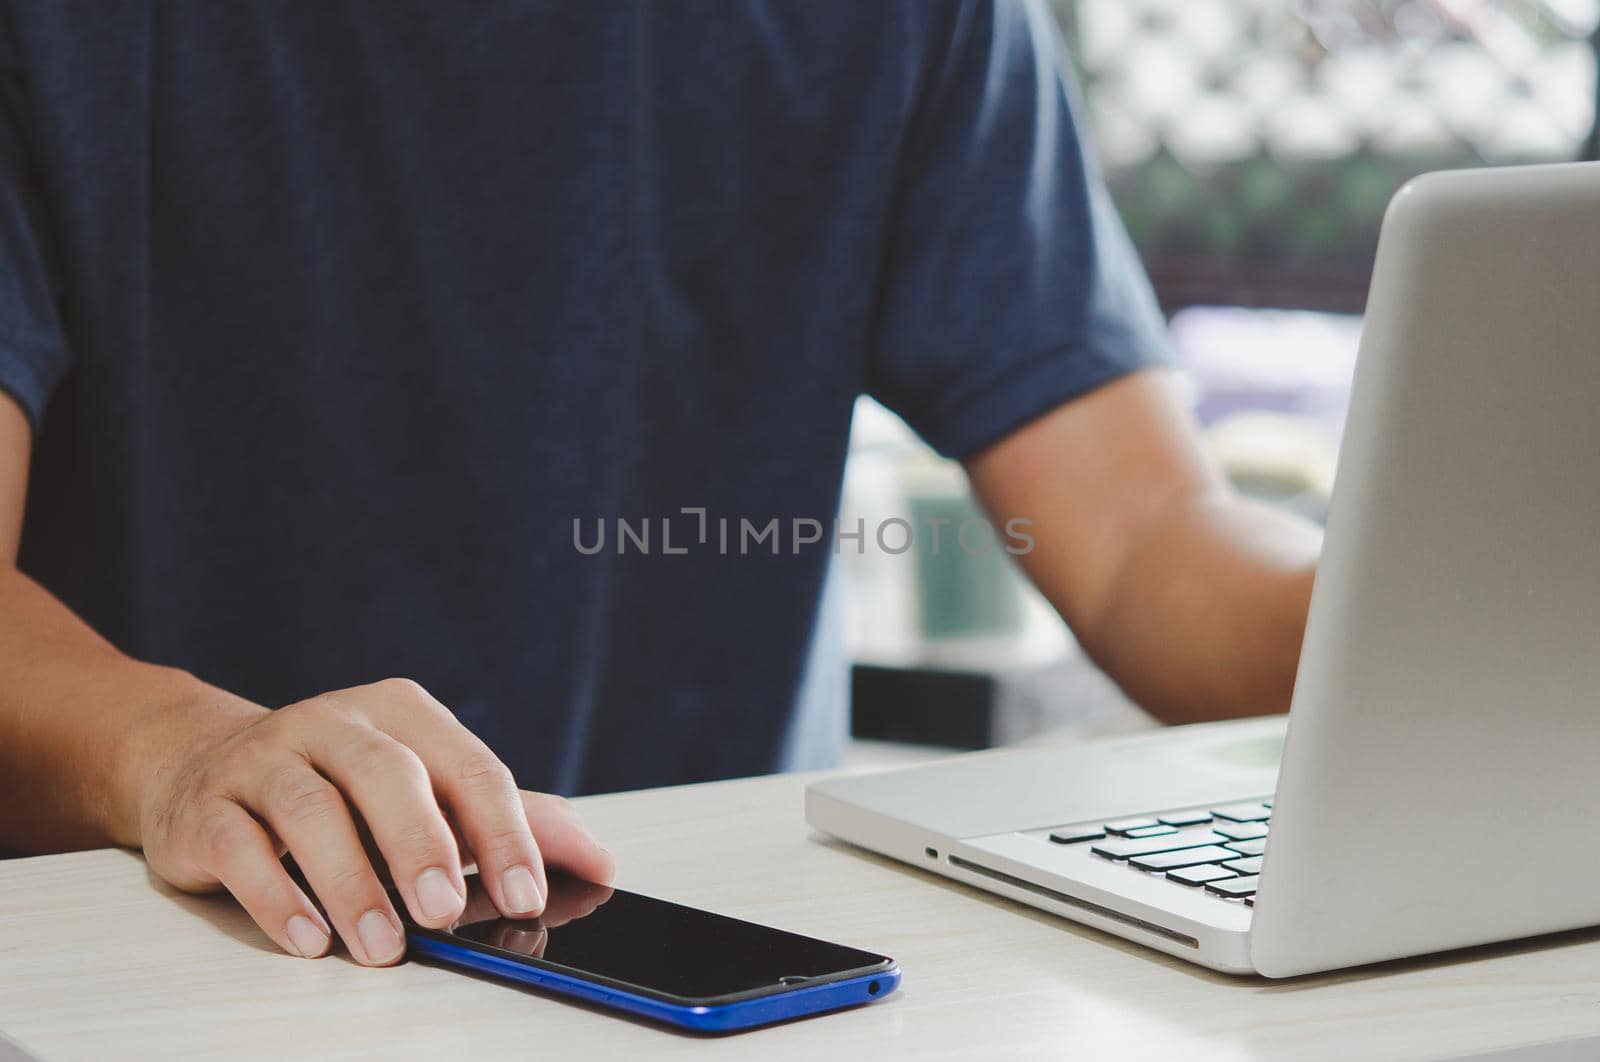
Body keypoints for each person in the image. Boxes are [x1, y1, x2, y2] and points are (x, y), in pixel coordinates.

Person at [0, 1, 1319, 967]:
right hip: (210, 962)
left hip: (731, 961)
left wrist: (1433, 605)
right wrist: (170, 750)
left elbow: (1146, 534)